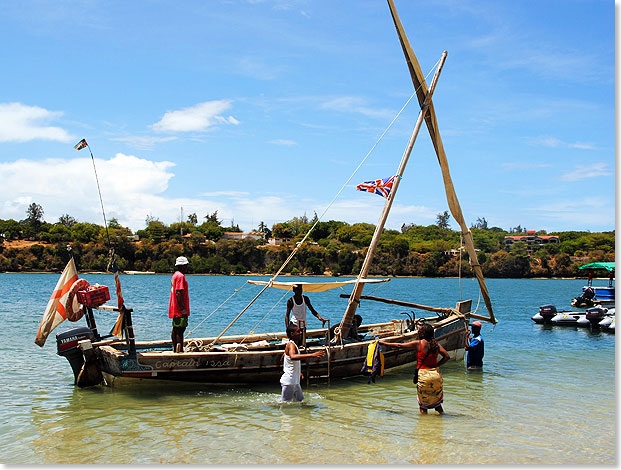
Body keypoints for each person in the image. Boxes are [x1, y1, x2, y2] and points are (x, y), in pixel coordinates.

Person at [379, 323, 449, 414]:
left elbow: (399, 346)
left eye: (419, 331)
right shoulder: (436, 345)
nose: (417, 333)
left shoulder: (418, 344)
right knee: (437, 403)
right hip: (436, 375)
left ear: (423, 334)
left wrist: (383, 343)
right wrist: (437, 365)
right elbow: (447, 356)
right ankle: (440, 423)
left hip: (424, 376)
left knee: (423, 405)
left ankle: (423, 425)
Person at [280, 324, 326, 402]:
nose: (300, 333)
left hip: (295, 381)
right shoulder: (291, 345)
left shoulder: (292, 345)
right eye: (298, 331)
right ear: (292, 334)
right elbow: (292, 356)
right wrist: (312, 355)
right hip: (289, 382)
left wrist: (298, 372)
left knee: (301, 402)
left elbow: (283, 357)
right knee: (284, 405)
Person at [169, 256, 190, 353]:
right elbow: (178, 292)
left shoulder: (175, 275)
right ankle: (179, 351)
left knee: (176, 328)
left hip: (175, 307)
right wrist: (183, 309)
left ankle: (175, 349)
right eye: (186, 265)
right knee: (180, 329)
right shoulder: (180, 276)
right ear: (182, 266)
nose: (187, 267)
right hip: (179, 308)